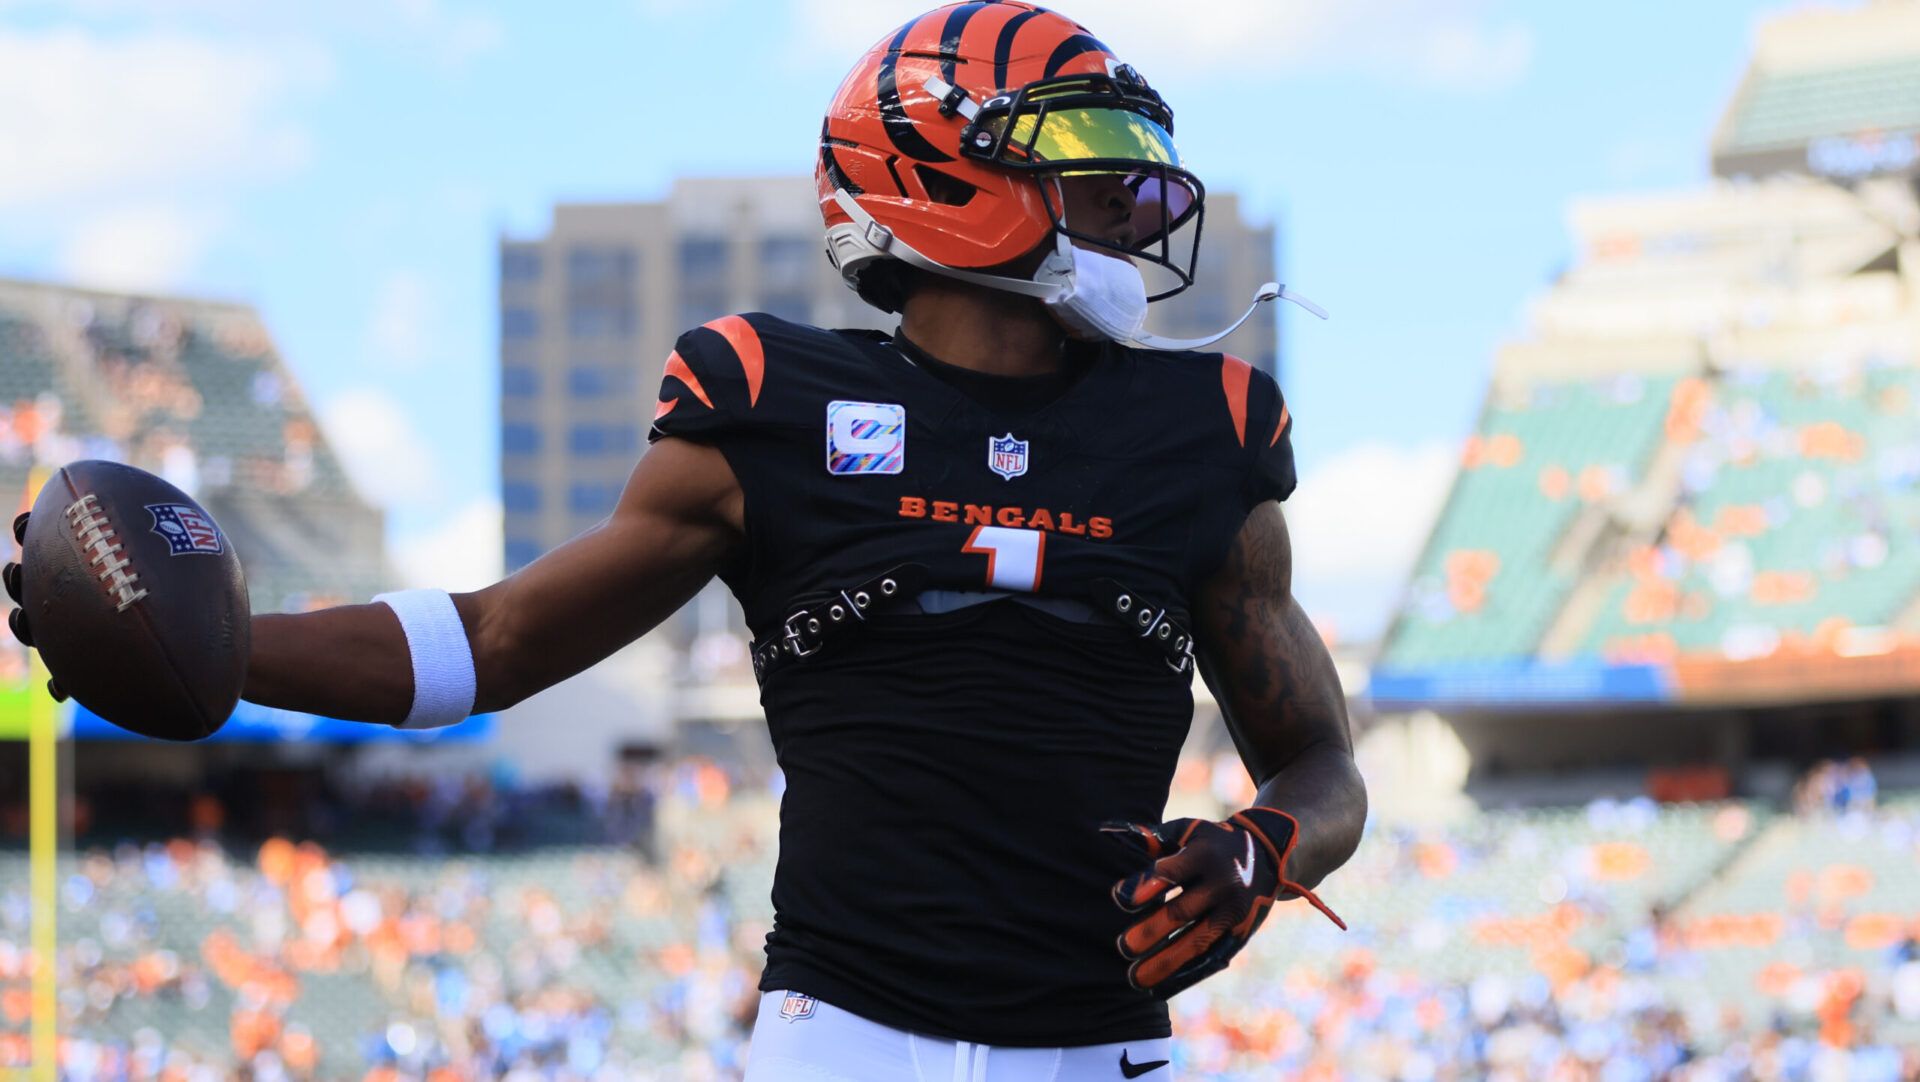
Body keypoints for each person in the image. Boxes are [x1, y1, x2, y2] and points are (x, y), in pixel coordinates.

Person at [8, 3, 1364, 1078]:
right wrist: (230, 649)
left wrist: (1262, 846)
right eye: (1086, 162)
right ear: (954, 169)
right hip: (844, 1043)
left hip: (1103, 1048)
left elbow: (1322, 761)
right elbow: (495, 640)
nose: (1137, 202)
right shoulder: (773, 406)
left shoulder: (1205, 430)